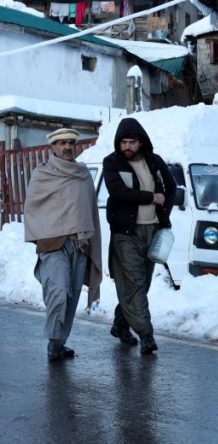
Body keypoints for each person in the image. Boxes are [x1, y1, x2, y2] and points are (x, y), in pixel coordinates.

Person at [24, 128, 102, 362]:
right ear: (52, 147)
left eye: (70, 143)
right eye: (61, 143)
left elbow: (90, 210)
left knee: (73, 295)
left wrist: (89, 238)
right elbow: (32, 208)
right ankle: (53, 341)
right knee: (58, 290)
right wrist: (44, 235)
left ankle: (59, 342)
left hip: (79, 244)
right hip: (53, 245)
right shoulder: (42, 174)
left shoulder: (83, 174)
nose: (67, 147)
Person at [103, 117, 175, 355]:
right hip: (126, 233)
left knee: (141, 285)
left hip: (152, 231)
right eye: (123, 142)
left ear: (141, 143)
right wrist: (151, 197)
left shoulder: (154, 162)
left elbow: (171, 188)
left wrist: (164, 216)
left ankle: (120, 324)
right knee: (134, 284)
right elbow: (119, 192)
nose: (127, 147)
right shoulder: (112, 163)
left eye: (132, 142)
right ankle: (146, 335)